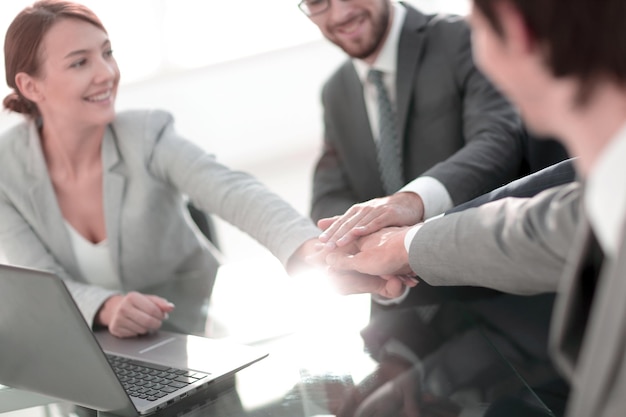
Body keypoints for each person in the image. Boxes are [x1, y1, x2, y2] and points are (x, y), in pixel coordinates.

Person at [327, 0, 626, 415]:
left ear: (516, 30)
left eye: (478, 26)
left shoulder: (448, 41)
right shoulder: (601, 200)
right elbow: (545, 224)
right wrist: (401, 246)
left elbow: (503, 155)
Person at [0, 0, 331, 339]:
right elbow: (43, 282)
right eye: (80, 62)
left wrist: (304, 247)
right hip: (89, 346)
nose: (107, 73)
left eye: (107, 53)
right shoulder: (5, 169)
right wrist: (107, 306)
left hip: (190, 332)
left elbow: (233, 191)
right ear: (30, 86)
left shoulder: (146, 135)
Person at [302, 0, 525, 228]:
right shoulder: (335, 92)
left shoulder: (464, 36)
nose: (340, 14)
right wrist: (365, 234)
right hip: (400, 261)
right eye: (317, 2)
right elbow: (327, 197)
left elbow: (499, 140)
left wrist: (411, 201)